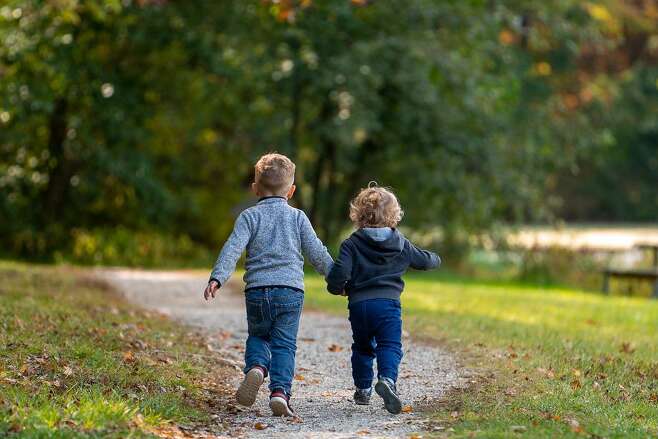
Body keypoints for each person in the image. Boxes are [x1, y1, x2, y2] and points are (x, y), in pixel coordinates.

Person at [203, 153, 333, 417]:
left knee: (259, 336)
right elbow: (316, 252)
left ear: (255, 188)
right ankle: (280, 393)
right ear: (292, 190)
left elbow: (232, 249)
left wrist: (218, 277)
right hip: (290, 291)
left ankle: (257, 368)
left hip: (257, 291)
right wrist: (337, 278)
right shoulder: (298, 217)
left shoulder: (249, 217)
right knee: (284, 344)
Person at [325, 184, 440, 414]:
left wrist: (337, 288)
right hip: (388, 306)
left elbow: (339, 273)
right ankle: (387, 380)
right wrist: (436, 259)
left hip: (359, 306)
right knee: (389, 345)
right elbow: (425, 261)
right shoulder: (400, 244)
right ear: (394, 216)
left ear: (358, 215)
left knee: (362, 347)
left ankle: (363, 389)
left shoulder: (351, 243)